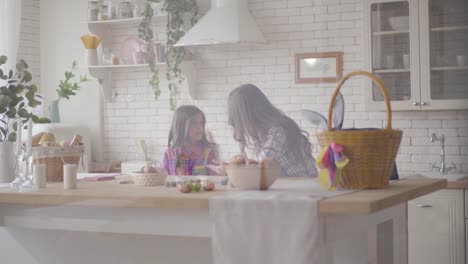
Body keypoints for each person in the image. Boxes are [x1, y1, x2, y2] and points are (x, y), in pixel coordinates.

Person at [210, 84, 318, 177]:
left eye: (238, 119)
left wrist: (230, 169)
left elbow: (259, 170)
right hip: (296, 188)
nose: (240, 126)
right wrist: (231, 166)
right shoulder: (267, 131)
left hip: (303, 190)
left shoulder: (278, 131)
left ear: (248, 115)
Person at [161, 105, 218, 175]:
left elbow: (215, 179)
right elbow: (163, 180)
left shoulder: (208, 152)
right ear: (181, 126)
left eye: (201, 123)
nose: (199, 127)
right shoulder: (169, 154)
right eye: (194, 123)